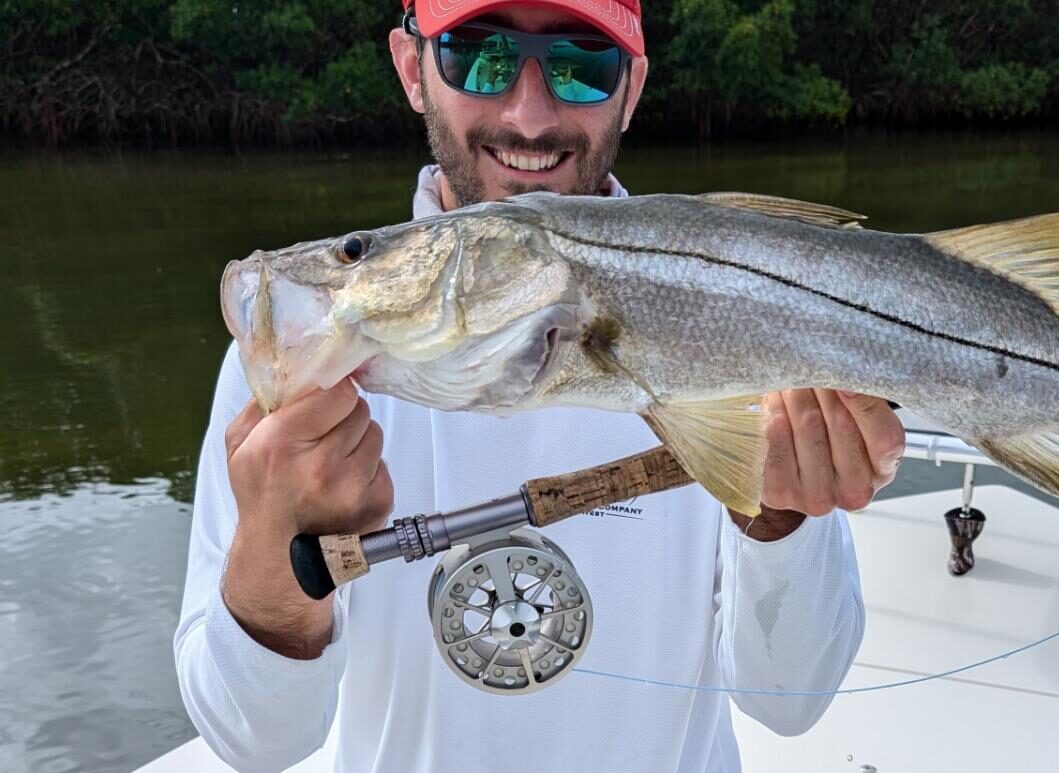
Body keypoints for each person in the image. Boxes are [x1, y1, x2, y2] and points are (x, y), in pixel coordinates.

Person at [173, 0, 906, 770]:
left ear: (633, 83)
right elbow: (255, 744)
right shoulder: (307, 360)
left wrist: (781, 518)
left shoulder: (743, 308)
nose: (529, 116)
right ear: (410, 66)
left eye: (581, 65)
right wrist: (273, 562)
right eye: (479, 57)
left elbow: (789, 700)